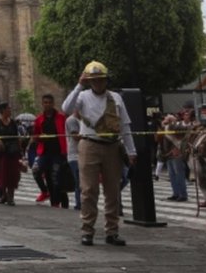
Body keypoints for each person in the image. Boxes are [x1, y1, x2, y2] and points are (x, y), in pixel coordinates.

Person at [62, 60, 137, 247]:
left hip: (112, 146)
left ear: (106, 80)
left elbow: (125, 125)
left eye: (101, 80)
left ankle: (112, 231)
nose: (98, 83)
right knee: (88, 190)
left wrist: (131, 150)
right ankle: (87, 230)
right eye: (93, 80)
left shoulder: (116, 98)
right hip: (89, 145)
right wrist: (79, 84)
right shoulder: (83, 97)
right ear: (89, 81)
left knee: (113, 190)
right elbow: (66, 108)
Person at [31, 94, 68, 207]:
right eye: (45, 102)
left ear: (53, 104)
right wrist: (40, 137)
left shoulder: (61, 118)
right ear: (42, 104)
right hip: (44, 152)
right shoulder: (39, 119)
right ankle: (45, 191)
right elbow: (35, 136)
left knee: (55, 177)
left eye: (49, 102)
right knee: (36, 170)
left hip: (58, 152)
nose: (47, 105)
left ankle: (56, 202)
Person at [0, 102, 22, 205]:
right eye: (8, 109)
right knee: (1, 174)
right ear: (2, 110)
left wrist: (20, 153)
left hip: (12, 152)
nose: (10, 111)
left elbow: (16, 137)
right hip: (0, 152)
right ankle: (3, 195)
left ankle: (11, 196)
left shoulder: (12, 123)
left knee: (12, 174)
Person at [159, 113, 188, 202]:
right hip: (169, 154)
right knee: (172, 175)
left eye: (166, 119)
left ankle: (182, 194)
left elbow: (184, 132)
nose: (163, 121)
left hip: (175, 154)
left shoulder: (175, 126)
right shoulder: (166, 128)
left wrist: (170, 123)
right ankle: (176, 193)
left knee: (179, 174)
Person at [64, 113, 81, 210]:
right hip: (74, 156)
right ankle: (79, 204)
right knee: (79, 181)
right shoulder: (72, 120)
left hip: (84, 154)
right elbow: (75, 136)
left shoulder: (86, 119)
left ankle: (82, 203)